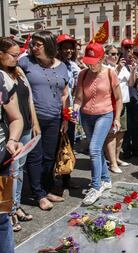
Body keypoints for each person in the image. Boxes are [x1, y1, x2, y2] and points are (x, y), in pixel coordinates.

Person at [19, 31, 68, 210]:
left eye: (37, 44)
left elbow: (65, 94)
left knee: (49, 156)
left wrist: (65, 117)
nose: (33, 47)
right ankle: (38, 193)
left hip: (55, 117)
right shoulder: (25, 62)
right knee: (35, 156)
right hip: (33, 118)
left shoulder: (62, 66)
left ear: (48, 45)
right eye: (32, 44)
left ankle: (46, 189)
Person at [73, 42, 122, 205]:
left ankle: (95, 187)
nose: (90, 64)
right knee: (97, 149)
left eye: (93, 61)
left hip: (105, 115)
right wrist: (74, 110)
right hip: (86, 116)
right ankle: (106, 179)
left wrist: (116, 118)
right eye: (87, 61)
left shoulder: (110, 73)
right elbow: (79, 97)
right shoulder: (82, 74)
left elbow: (119, 98)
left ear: (101, 59)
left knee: (93, 149)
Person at [0, 37, 38, 232]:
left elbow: (29, 98)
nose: (17, 58)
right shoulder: (1, 76)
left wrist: (34, 122)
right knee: (11, 173)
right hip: (7, 134)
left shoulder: (18, 71)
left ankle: (13, 206)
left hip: (23, 127)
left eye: (18, 55)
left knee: (18, 171)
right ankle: (9, 212)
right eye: (14, 55)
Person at [0, 70, 24, 253]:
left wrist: (13, 140)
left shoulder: (1, 79)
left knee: (2, 219)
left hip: (2, 164)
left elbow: (16, 118)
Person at [56, 34, 81, 190]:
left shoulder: (73, 65)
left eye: (71, 47)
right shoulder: (54, 64)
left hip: (70, 110)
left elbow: (79, 83)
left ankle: (66, 178)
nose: (68, 50)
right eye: (64, 47)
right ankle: (51, 180)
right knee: (54, 145)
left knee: (68, 145)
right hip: (55, 111)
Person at [103, 44, 130, 173]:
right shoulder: (105, 68)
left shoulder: (123, 67)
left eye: (117, 54)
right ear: (106, 55)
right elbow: (109, 84)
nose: (115, 56)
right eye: (112, 54)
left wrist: (134, 70)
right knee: (111, 134)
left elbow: (131, 83)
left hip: (123, 103)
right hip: (111, 105)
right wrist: (118, 69)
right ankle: (111, 162)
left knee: (121, 133)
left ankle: (116, 158)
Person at [121, 39, 138, 159]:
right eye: (126, 48)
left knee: (136, 126)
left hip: (136, 98)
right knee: (126, 127)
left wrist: (136, 72)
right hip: (124, 99)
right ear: (122, 49)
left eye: (130, 47)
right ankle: (126, 149)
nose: (129, 50)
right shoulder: (120, 63)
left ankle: (136, 149)